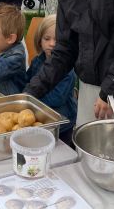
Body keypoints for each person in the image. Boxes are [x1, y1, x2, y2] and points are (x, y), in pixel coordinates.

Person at [26, 15, 77, 145]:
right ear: (39, 40)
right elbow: (27, 81)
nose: (52, 44)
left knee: (62, 153)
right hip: (42, 118)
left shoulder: (68, 70)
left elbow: (57, 98)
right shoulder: (37, 61)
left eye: (57, 40)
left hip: (63, 121)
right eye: (47, 39)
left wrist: (30, 103)